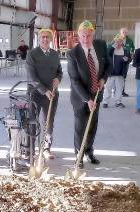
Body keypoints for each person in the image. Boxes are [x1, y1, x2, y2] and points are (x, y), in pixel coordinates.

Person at [67, 20, 110, 168]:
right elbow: (74, 80)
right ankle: (78, 155)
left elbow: (108, 65)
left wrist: (103, 79)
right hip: (80, 98)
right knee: (80, 127)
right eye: (83, 36)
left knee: (92, 125)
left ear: (93, 35)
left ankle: (89, 151)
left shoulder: (101, 46)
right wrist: (87, 99)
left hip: (97, 94)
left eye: (89, 36)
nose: (86, 39)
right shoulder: (73, 54)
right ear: (79, 36)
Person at [26, 28, 63, 160]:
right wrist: (44, 90)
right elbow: (31, 77)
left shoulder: (55, 54)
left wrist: (58, 78)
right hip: (35, 94)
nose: (45, 39)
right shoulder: (32, 54)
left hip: (52, 95)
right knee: (32, 121)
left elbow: (60, 71)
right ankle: (30, 150)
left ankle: (46, 148)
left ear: (51, 39)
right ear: (39, 39)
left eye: (47, 37)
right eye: (43, 37)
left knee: (48, 122)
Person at [103, 34, 131, 108]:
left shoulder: (125, 50)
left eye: (120, 41)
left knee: (119, 89)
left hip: (120, 73)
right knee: (108, 88)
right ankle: (105, 102)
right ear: (114, 41)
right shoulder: (111, 49)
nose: (118, 43)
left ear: (122, 42)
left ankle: (118, 102)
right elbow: (107, 53)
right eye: (117, 41)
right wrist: (113, 46)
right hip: (110, 73)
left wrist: (127, 60)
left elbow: (129, 59)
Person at [119, 27, 135, 97]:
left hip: (126, 62)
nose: (124, 33)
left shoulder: (130, 41)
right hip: (118, 61)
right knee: (117, 76)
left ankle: (122, 91)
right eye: (123, 32)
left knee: (123, 76)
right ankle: (116, 91)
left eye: (125, 32)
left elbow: (132, 50)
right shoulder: (117, 40)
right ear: (120, 33)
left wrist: (130, 57)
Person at [132, 48, 140, 114]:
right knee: (139, 93)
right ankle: (138, 108)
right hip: (139, 76)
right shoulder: (138, 51)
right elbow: (134, 63)